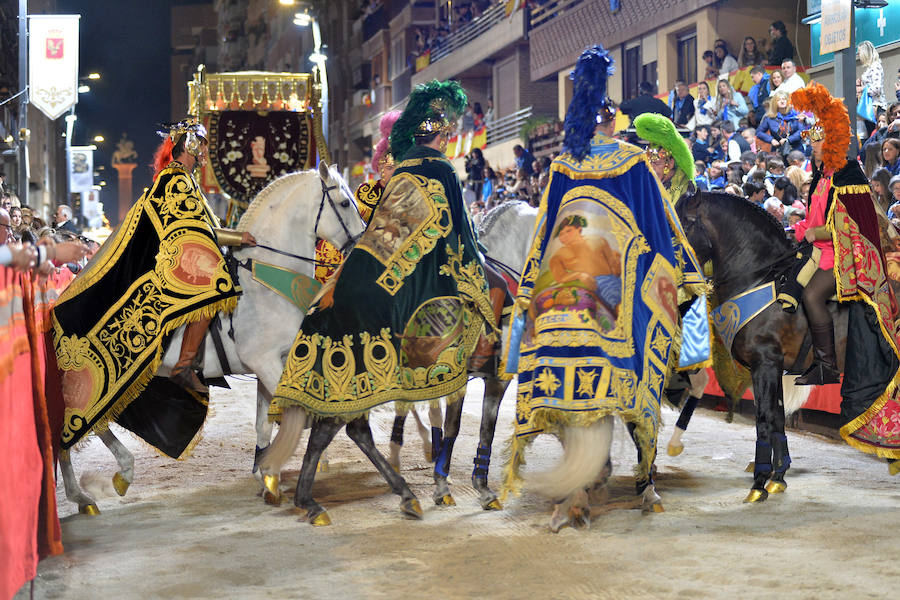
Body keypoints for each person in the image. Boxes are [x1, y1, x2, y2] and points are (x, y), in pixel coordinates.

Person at [501, 45, 709, 511]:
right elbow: (660, 231)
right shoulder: (633, 164)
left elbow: (543, 237)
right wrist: (683, 278)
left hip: (560, 293)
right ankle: (644, 482)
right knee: (646, 362)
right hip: (613, 294)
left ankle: (579, 475)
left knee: (543, 353)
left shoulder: (560, 166)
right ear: (610, 119)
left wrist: (530, 290)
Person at [271, 80, 497, 424]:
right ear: (443, 137)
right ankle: (481, 351)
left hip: (372, 262)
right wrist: (473, 262)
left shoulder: (404, 171)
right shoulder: (444, 168)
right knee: (493, 293)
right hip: (422, 269)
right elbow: (461, 228)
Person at [52, 119, 257, 455]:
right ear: (189, 145)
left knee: (220, 277)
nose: (205, 151)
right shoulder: (175, 179)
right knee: (215, 286)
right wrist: (238, 237)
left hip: (176, 255)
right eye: (201, 144)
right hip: (168, 262)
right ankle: (184, 365)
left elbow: (203, 226)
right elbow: (191, 228)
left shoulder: (184, 179)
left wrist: (233, 236)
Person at [789, 83, 895, 386]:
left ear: (832, 140)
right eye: (810, 138)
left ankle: (827, 365)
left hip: (843, 256)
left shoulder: (848, 174)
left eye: (818, 139)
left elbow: (855, 225)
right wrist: (795, 231)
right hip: (817, 250)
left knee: (811, 294)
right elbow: (811, 220)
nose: (812, 144)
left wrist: (816, 232)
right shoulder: (820, 176)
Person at [756, 90, 804, 158]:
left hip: (795, 149)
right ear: (774, 103)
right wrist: (771, 140)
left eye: (784, 99)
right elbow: (759, 132)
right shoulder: (770, 118)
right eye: (779, 100)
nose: (782, 101)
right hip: (778, 150)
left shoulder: (795, 115)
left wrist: (788, 140)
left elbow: (801, 131)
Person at [858, 40, 887, 116]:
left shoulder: (875, 66)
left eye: (859, 52)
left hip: (876, 107)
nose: (858, 55)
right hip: (870, 106)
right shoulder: (871, 68)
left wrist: (862, 89)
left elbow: (877, 88)